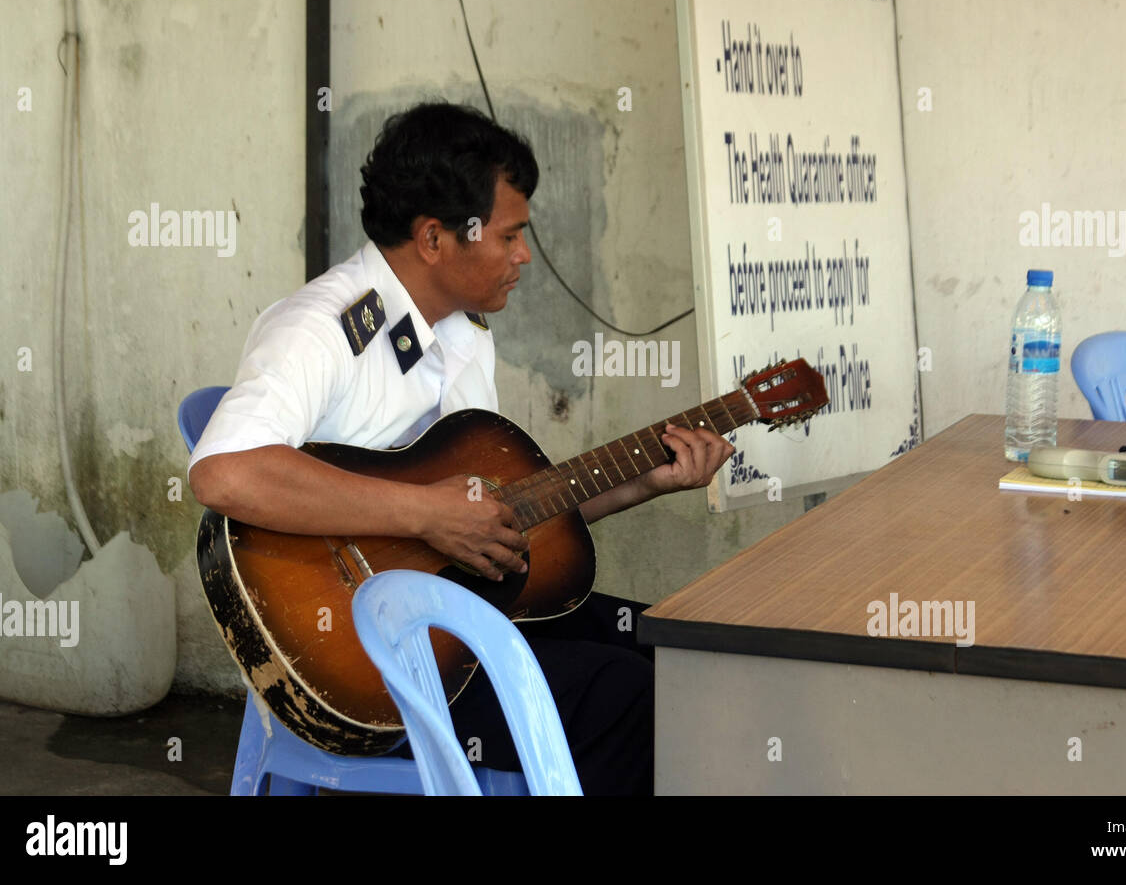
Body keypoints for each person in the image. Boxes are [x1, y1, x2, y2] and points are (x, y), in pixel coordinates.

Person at [188, 101, 734, 795]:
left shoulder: (465, 336)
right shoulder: (322, 329)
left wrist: (648, 481)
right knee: (629, 698)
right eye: (509, 237)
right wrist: (422, 513)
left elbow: (497, 522)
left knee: (683, 649)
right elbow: (224, 473)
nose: (524, 256)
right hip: (374, 654)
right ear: (434, 238)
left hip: (460, 619)